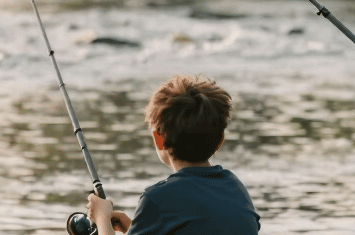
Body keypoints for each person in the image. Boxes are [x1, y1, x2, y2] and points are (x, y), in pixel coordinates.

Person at [85, 75, 260, 235]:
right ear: (221, 140)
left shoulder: (157, 199)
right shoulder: (236, 188)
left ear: (158, 140)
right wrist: (134, 227)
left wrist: (101, 218)